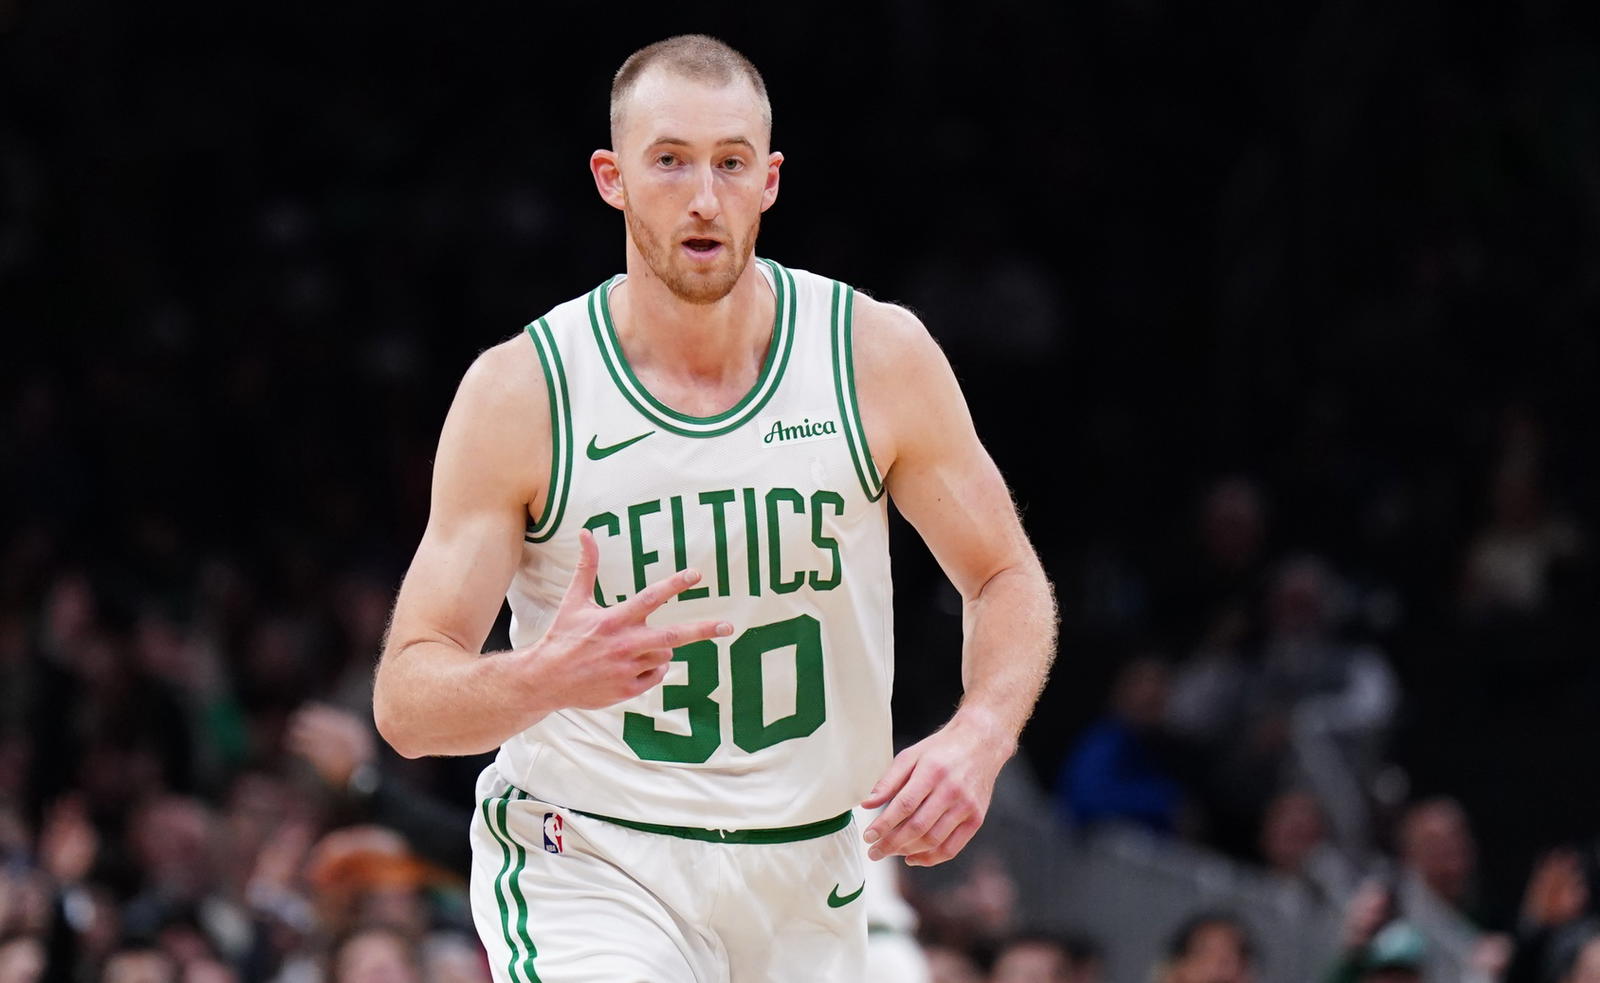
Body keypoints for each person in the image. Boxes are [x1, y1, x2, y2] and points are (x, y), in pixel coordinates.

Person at [370, 33, 1057, 983]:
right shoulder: (524, 392)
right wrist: (545, 677)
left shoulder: (872, 356)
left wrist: (980, 735)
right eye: (670, 162)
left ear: (770, 181)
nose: (704, 197)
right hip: (597, 861)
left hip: (812, 867)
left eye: (731, 163)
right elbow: (407, 700)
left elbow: (1004, 574)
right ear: (611, 178)